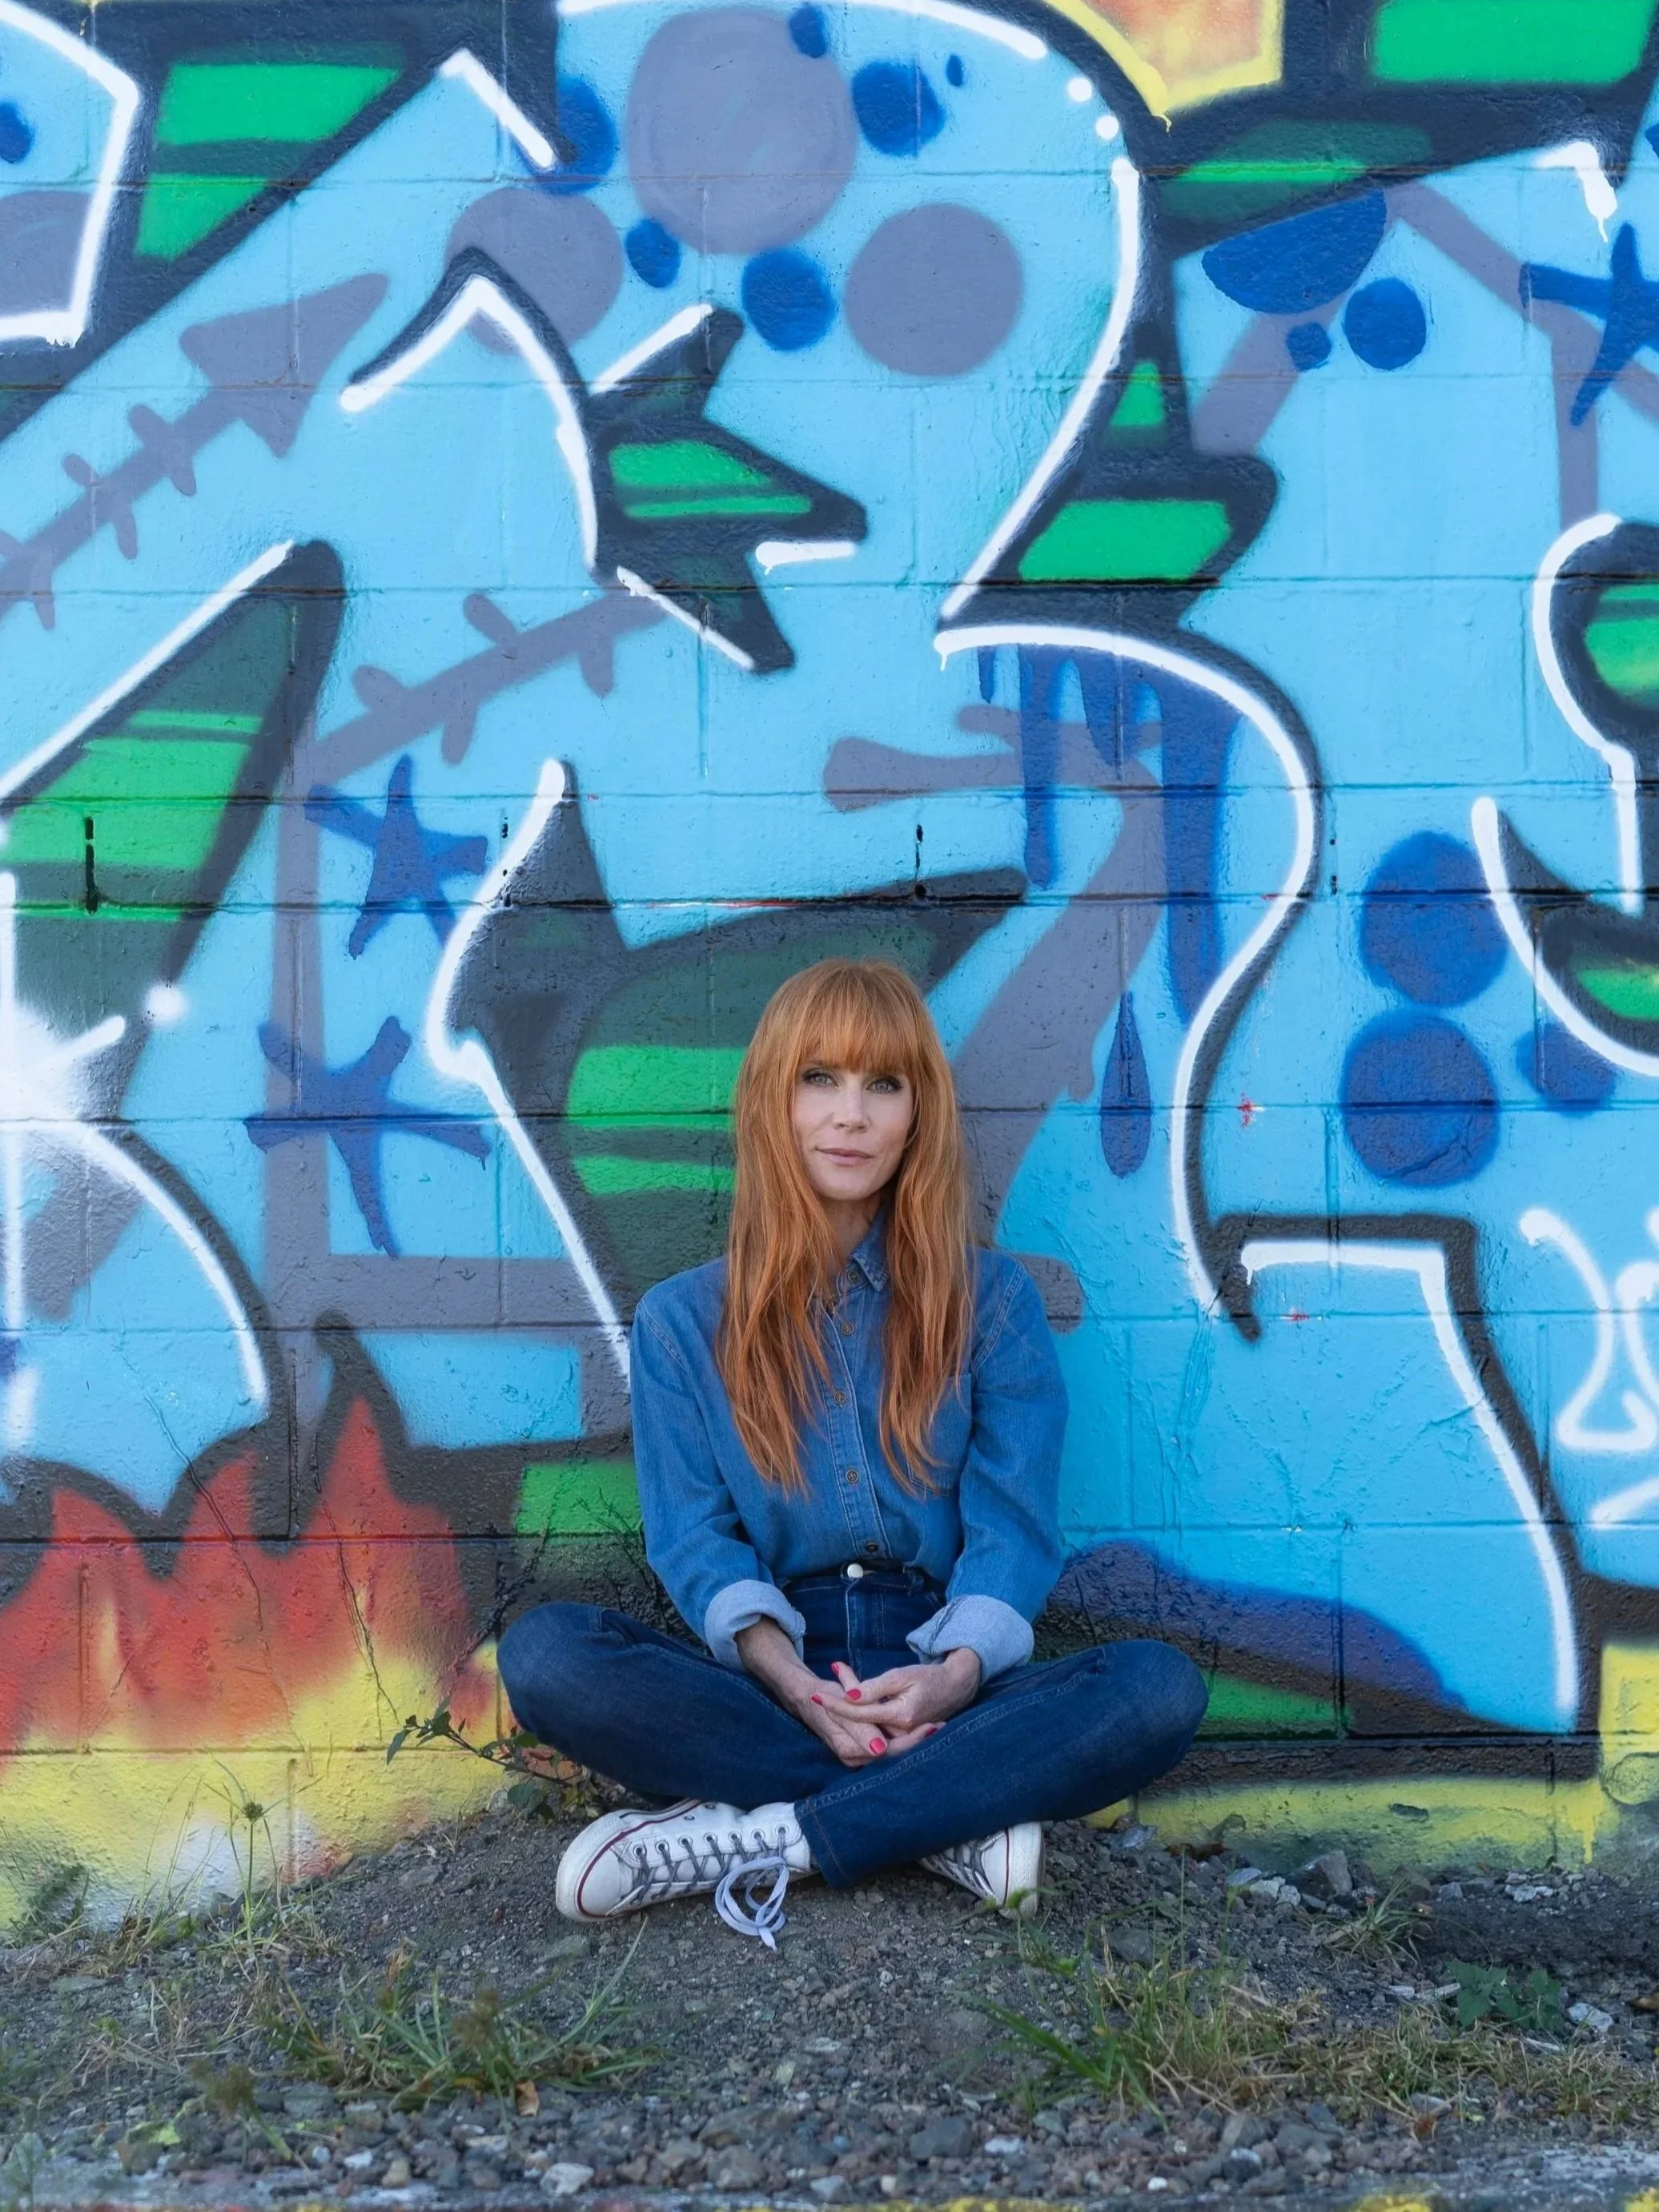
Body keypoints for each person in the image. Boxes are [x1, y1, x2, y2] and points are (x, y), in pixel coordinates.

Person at [497, 959, 1207, 1932]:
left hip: (944, 1671)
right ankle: (946, 1815)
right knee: (545, 1655)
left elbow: (1012, 1531)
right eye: (818, 1078)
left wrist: (948, 1680)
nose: (851, 1114)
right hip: (769, 1677)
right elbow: (696, 1544)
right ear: (772, 1102)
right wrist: (790, 1682)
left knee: (1155, 1688)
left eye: (883, 1084)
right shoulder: (681, 1322)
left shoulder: (988, 1302)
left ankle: (777, 1836)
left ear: (917, 1114)